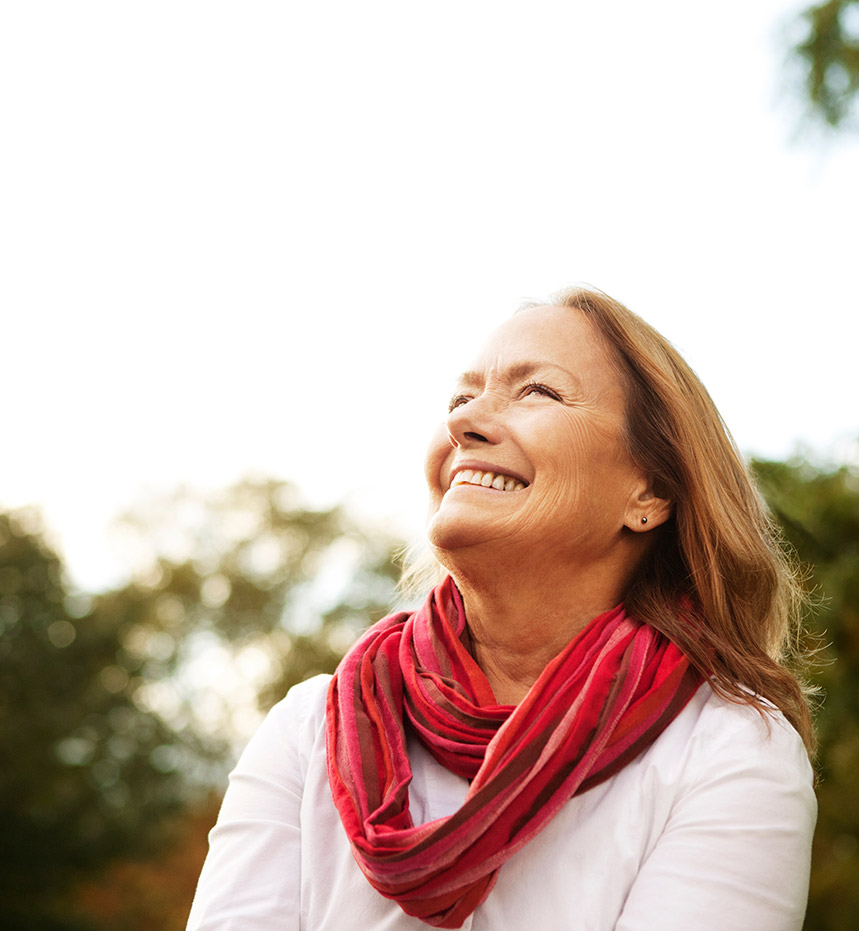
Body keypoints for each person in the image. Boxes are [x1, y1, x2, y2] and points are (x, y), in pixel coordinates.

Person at [185, 287, 817, 930]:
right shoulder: (307, 731)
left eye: (536, 391)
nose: (465, 422)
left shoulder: (729, 749)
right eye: (461, 399)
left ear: (649, 491)